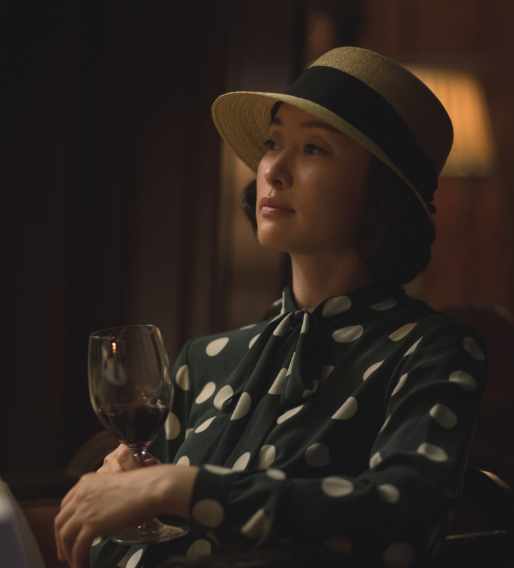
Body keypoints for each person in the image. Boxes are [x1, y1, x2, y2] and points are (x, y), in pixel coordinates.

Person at [54, 47, 488, 568]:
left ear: (381, 191)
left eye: (313, 149)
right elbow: (125, 545)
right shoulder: (203, 360)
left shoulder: (434, 350)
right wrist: (118, 499)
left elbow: (404, 522)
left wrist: (175, 486)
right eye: (272, 143)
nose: (273, 171)